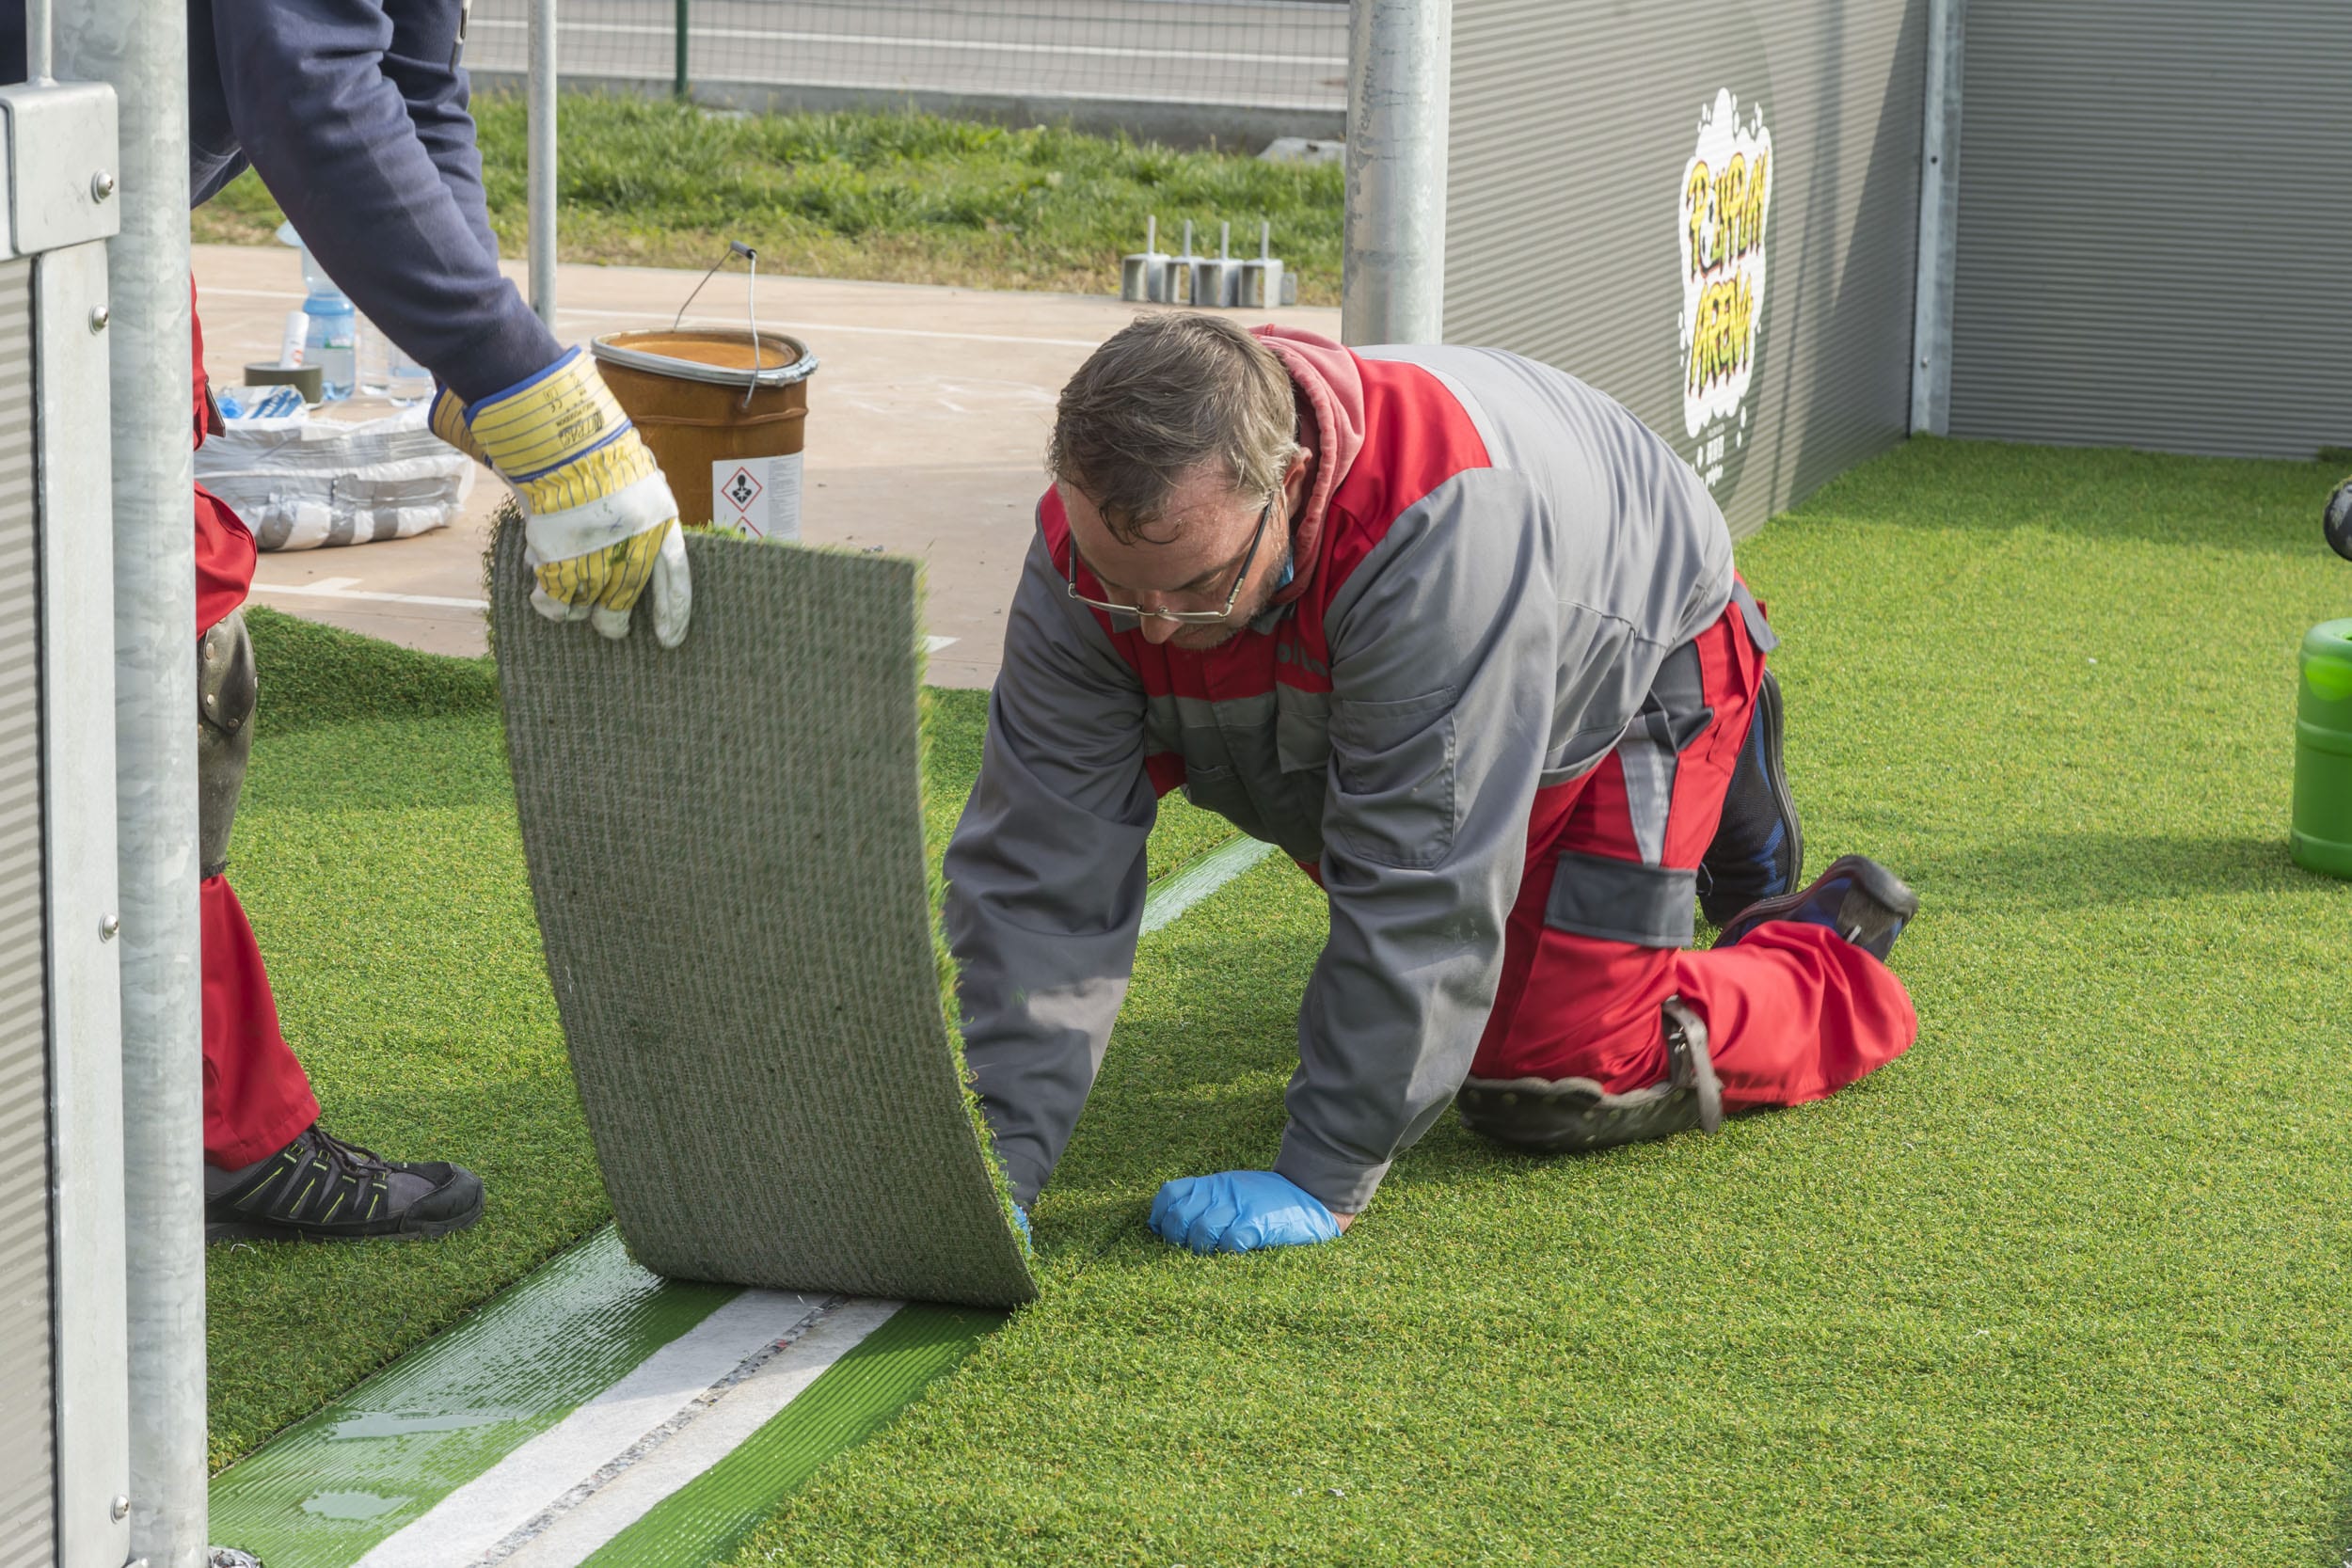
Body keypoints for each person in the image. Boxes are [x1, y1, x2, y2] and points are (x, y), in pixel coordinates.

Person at [944, 313, 1922, 1255]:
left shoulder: (1435, 534)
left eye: (1194, 585)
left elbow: (1419, 877)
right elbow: (1042, 862)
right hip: (1416, 664)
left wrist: (1324, 1172)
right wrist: (993, 1169)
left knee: (1550, 1072)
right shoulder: (1098, 553)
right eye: (1116, 587)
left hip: (1635, 653)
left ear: (1286, 481)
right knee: (1426, 925)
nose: (1148, 626)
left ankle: (1819, 947)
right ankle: (1707, 817)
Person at [6, 0, 691, 1242]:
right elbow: (306, 78)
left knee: (161, 623)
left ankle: (204, 1116)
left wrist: (481, 370)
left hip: (84, 205)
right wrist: (537, 396)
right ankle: (201, 1122)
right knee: (137, 643)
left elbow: (411, 68)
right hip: (39, 202)